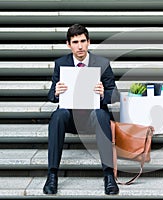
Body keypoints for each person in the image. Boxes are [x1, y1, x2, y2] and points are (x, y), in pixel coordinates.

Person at [43, 24, 119, 195]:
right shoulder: (61, 63)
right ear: (68, 44)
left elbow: (114, 94)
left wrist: (103, 94)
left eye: (83, 41)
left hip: (93, 118)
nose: (80, 46)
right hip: (70, 118)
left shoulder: (102, 63)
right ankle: (52, 175)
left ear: (89, 42)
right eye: (75, 42)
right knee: (58, 115)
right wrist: (56, 92)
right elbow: (50, 95)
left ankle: (108, 175)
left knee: (101, 114)